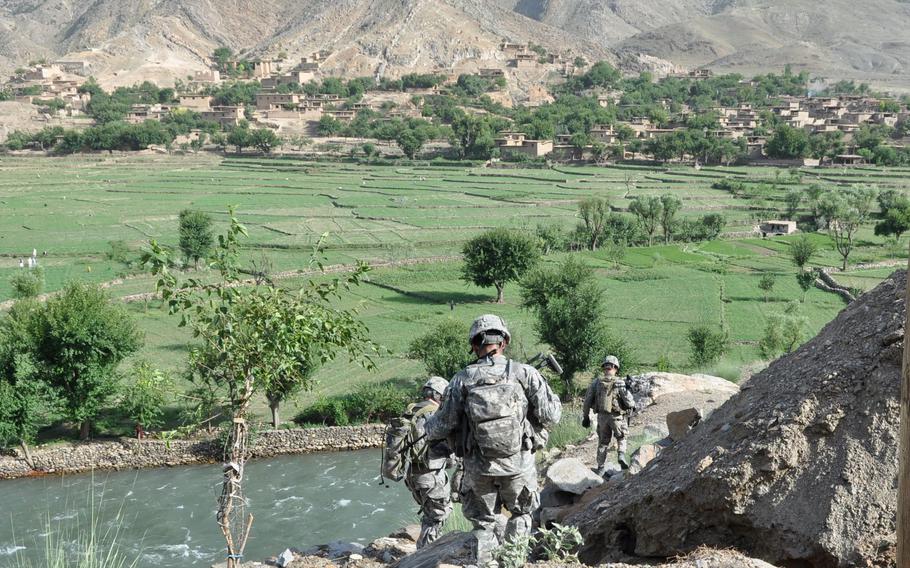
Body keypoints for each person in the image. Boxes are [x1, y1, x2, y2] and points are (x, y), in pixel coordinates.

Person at [425, 314, 562, 566]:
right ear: (504, 342)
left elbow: (440, 427)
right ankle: (514, 563)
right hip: (518, 464)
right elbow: (551, 415)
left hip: (478, 469)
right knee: (521, 515)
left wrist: (426, 423)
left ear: (475, 345)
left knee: (484, 523)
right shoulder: (525, 373)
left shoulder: (461, 379)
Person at [403, 376, 455, 548]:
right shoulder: (435, 415)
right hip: (430, 476)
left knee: (429, 514)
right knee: (438, 516)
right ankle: (426, 556)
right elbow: (450, 453)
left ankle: (423, 551)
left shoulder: (412, 411)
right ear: (440, 395)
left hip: (412, 475)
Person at [582, 355, 636, 475]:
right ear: (616, 368)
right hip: (616, 417)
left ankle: (601, 468)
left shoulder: (596, 383)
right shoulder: (620, 382)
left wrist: (585, 417)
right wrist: (629, 390)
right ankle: (621, 455)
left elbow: (587, 401)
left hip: (602, 418)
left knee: (603, 443)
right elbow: (629, 402)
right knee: (622, 437)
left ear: (604, 368)